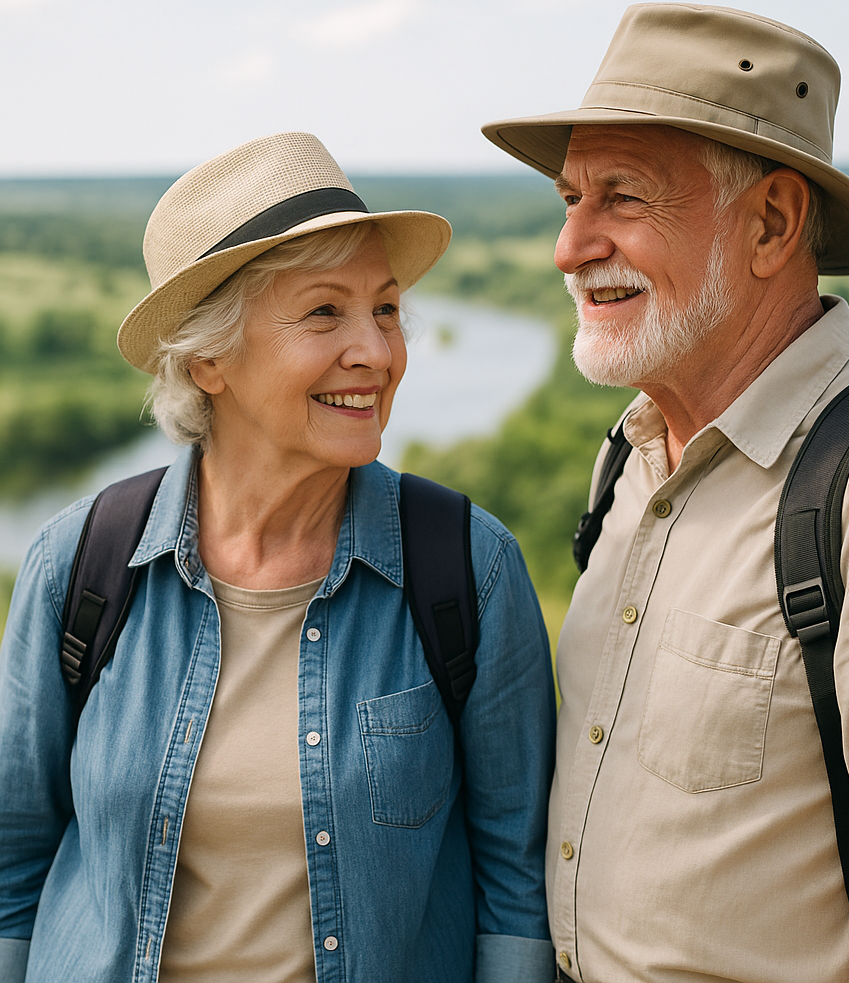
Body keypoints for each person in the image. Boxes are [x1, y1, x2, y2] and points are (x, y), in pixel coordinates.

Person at [482, 2, 849, 983]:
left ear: (771, 222)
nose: (569, 246)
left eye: (623, 199)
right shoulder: (632, 456)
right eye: (569, 199)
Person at [0, 131, 557, 983]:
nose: (376, 351)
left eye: (387, 307)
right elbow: (13, 871)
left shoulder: (468, 570)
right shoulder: (79, 567)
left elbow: (516, 890)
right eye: (326, 311)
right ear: (210, 358)